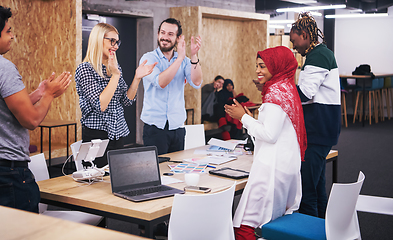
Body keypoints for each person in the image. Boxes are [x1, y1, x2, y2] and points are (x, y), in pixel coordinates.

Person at [225, 46, 307, 240]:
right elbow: (276, 128)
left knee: (244, 227)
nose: (257, 70)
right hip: (285, 166)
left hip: (271, 169)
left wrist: (242, 118)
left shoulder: (274, 95)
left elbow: (269, 134)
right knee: (270, 221)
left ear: (276, 66)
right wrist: (248, 117)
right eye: (256, 66)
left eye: (263, 66)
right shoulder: (287, 89)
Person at [0, 6, 72, 213]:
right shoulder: (4, 68)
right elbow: (30, 121)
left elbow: (6, 108)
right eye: (8, 31)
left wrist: (39, 93)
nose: (13, 36)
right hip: (9, 172)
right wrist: (49, 95)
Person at [75, 23, 157, 167]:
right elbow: (101, 104)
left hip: (117, 135)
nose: (116, 46)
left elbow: (126, 100)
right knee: (96, 184)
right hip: (96, 137)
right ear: (98, 39)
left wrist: (137, 78)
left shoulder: (114, 68)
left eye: (117, 42)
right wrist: (115, 76)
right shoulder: (85, 69)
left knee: (115, 181)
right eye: (111, 41)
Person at [289, 12, 341, 218]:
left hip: (318, 130)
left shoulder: (318, 55)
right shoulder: (319, 54)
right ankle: (323, 230)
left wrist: (281, 90)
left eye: (294, 41)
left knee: (307, 192)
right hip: (322, 129)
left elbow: (306, 93)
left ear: (304, 35)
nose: (294, 47)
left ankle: (309, 232)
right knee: (318, 189)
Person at [139, 18, 203, 155]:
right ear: (158, 34)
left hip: (177, 127)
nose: (165, 37)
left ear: (178, 38)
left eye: (170, 34)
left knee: (176, 171)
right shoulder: (148, 59)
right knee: (157, 172)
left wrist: (193, 55)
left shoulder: (186, 61)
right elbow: (160, 82)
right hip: (154, 128)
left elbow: (197, 82)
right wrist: (179, 58)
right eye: (163, 33)